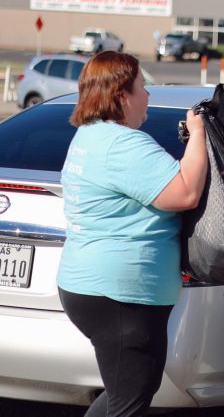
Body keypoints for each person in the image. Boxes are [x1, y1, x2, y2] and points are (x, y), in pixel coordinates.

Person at [57, 51, 208, 416]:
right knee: (130, 399)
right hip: (122, 296)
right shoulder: (122, 144)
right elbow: (185, 192)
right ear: (122, 95)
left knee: (127, 393)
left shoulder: (89, 137)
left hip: (93, 286)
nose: (149, 95)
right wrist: (199, 134)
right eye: (143, 86)